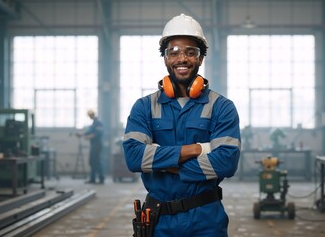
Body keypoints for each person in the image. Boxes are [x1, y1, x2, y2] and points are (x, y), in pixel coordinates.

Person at [123, 13, 241, 236]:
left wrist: (163, 162)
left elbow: (226, 162)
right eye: (173, 52)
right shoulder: (144, 107)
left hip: (206, 217)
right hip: (159, 220)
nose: (182, 58)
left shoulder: (222, 107)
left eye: (190, 52)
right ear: (165, 58)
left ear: (201, 58)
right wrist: (198, 149)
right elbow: (133, 157)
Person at [83, 109, 105, 184]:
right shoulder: (94, 123)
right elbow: (90, 132)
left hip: (97, 144)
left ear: (91, 115)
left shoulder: (98, 122)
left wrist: (89, 137)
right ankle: (95, 178)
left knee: (95, 161)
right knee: (94, 161)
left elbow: (98, 133)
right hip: (94, 144)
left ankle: (99, 178)